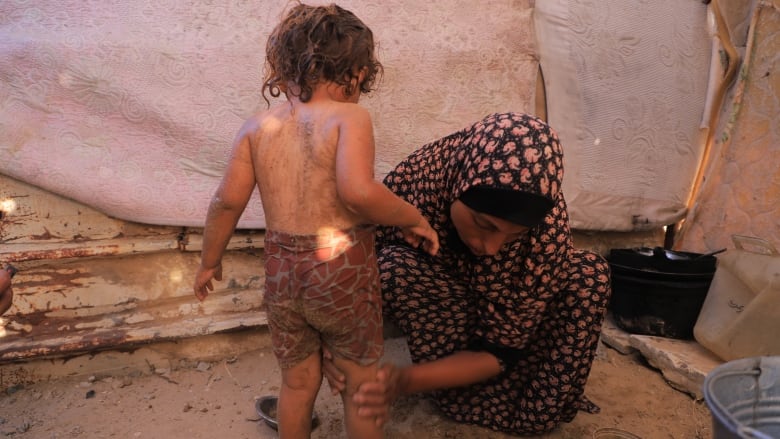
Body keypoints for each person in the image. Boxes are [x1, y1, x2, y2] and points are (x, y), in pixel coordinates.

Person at [192, 3, 439, 439]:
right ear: (360, 73)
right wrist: (411, 217)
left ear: (284, 67)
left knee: (298, 382)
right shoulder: (350, 117)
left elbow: (226, 202)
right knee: (360, 380)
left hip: (282, 275)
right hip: (340, 271)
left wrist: (209, 261)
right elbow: (359, 193)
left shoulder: (256, 127)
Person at [324, 112, 612, 435]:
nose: (491, 248)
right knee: (389, 266)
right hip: (452, 325)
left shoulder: (548, 233)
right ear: (459, 184)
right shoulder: (422, 179)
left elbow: (500, 353)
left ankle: (525, 405)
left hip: (518, 341)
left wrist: (404, 380)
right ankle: (454, 393)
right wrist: (328, 341)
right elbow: (348, 262)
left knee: (590, 274)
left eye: (514, 237)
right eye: (484, 225)